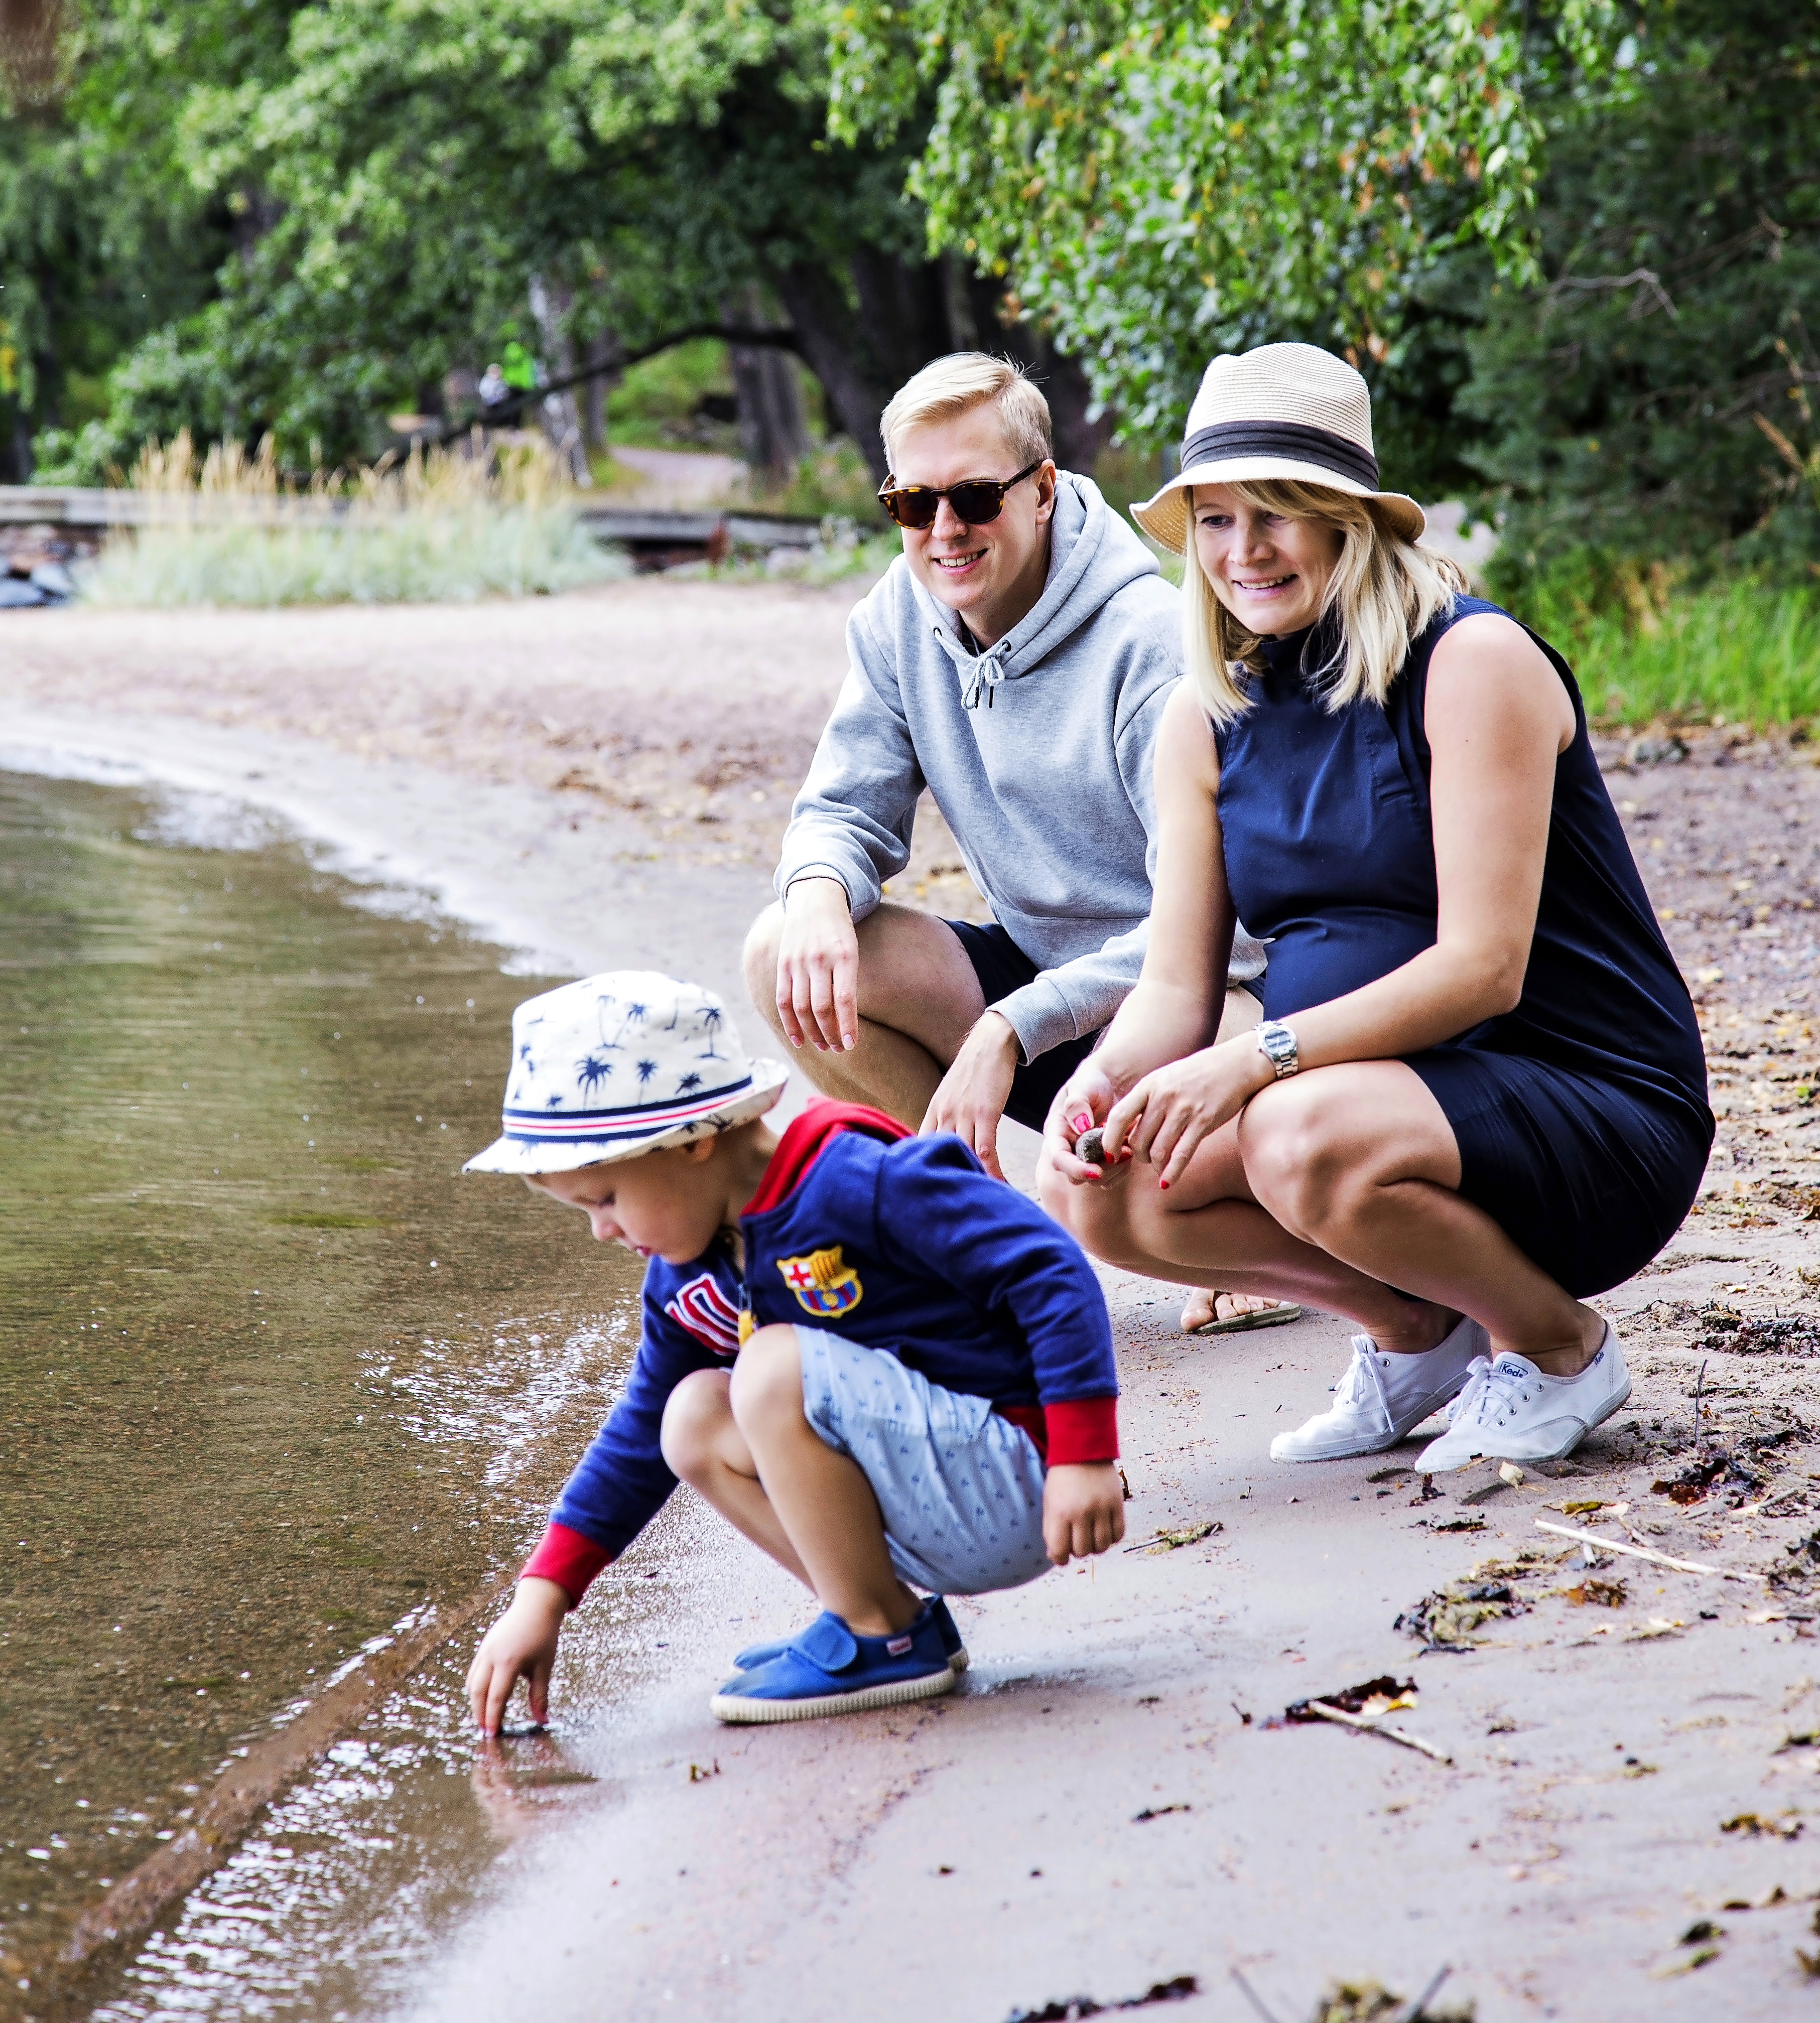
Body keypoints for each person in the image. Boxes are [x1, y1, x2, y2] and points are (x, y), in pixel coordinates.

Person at [1037, 342, 1713, 1470]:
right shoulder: (1201, 718)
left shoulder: (1471, 659)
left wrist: (1257, 1061)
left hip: (1588, 1104)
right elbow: (1173, 986)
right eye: (1212, 519)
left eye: (1276, 513)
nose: (1241, 550)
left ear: (1347, 517)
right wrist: (1109, 1080)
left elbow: (1481, 970)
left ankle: (1557, 1348)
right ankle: (1415, 1332)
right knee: (1104, 1188)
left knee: (1295, 1132)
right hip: (1369, 1110)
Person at [744, 353, 1272, 1333]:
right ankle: (993, 1237)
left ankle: (1255, 1245)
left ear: (1039, 490)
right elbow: (840, 806)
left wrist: (1011, 1027)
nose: (944, 528)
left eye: (975, 496)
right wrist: (816, 888)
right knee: (785, 950)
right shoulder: (901, 614)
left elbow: (1221, 937)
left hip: (1198, 996)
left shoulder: (1148, 643)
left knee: (1196, 1096)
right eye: (913, 500)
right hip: (1043, 992)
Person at [463, 971, 1124, 1732]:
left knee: (772, 1365)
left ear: (694, 1142)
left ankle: (882, 1636)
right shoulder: (686, 1273)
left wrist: (1082, 1454)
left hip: (1020, 1482)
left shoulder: (851, 1179)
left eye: (605, 1198)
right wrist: (544, 1592)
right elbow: (636, 1434)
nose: (602, 1229)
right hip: (931, 1495)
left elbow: (1045, 1263)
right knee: (686, 1415)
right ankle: (879, 1614)